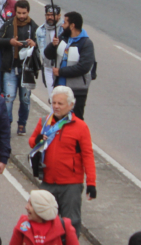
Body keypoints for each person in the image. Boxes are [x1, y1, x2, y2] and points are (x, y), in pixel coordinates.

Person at [29, 86, 96, 236]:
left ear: (71, 105)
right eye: (54, 103)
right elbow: (32, 141)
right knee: (41, 220)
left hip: (71, 184)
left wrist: (91, 182)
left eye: (60, 103)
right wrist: (37, 140)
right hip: (48, 181)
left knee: (70, 223)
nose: (56, 107)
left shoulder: (80, 127)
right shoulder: (45, 122)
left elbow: (88, 155)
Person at [0, 0, 38, 135]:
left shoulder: (33, 27)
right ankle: (7, 123)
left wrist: (33, 44)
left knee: (25, 99)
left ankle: (22, 124)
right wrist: (10, 42)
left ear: (28, 12)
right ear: (15, 12)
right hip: (10, 68)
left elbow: (42, 46)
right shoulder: (8, 25)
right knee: (8, 98)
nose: (22, 16)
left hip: (27, 69)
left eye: (24, 13)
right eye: (19, 13)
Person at [47, 12, 95, 119]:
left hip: (76, 90)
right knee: (58, 118)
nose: (62, 25)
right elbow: (48, 54)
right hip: (59, 87)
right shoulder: (63, 37)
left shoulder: (86, 43)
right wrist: (52, 45)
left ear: (72, 26)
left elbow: (84, 67)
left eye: (65, 22)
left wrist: (60, 72)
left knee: (75, 119)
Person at [8, 190, 79, 245]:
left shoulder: (64, 226)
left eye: (31, 205)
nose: (26, 207)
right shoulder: (23, 224)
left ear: (41, 210)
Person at [36, 4, 65, 95]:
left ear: (59, 16)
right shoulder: (40, 31)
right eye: (48, 15)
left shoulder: (64, 29)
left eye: (52, 15)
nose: (50, 17)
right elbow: (43, 52)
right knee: (52, 96)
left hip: (61, 68)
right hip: (48, 67)